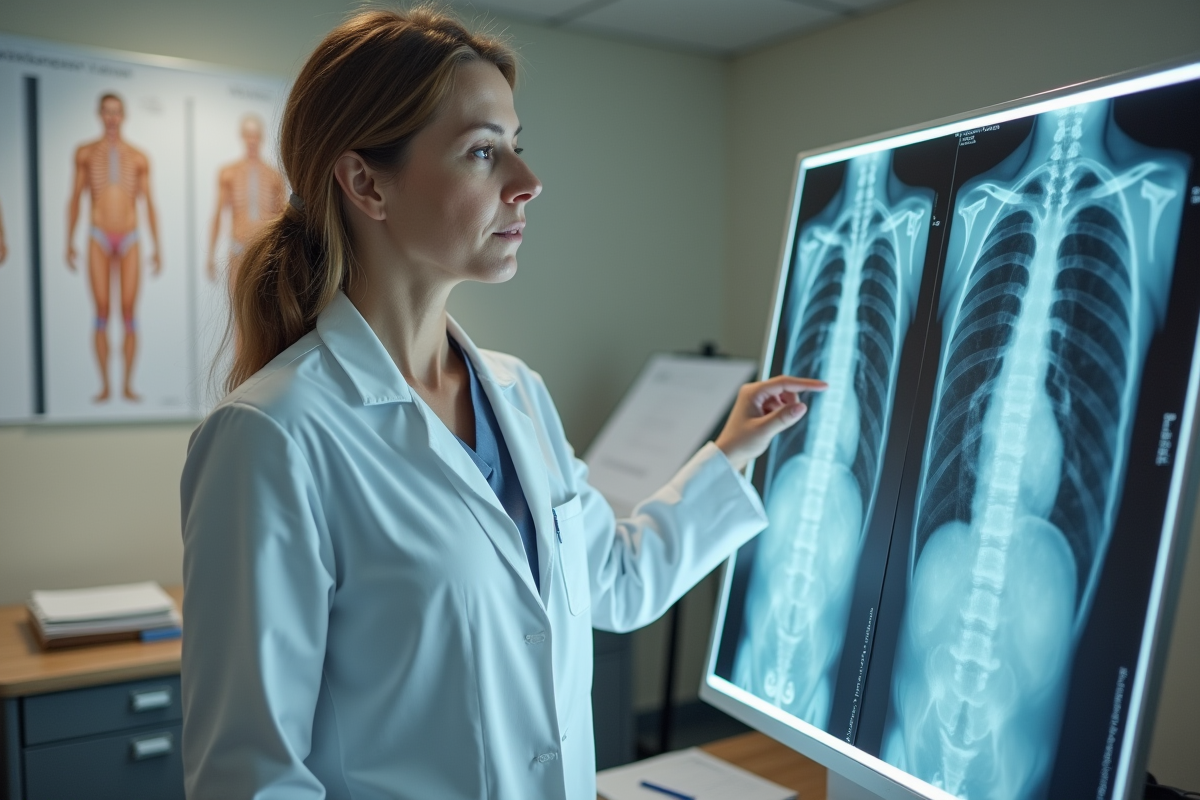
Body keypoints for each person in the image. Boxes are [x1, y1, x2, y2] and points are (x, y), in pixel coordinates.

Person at [179, 8, 825, 800]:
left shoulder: (517, 393)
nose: (527, 182)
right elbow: (252, 780)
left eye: (516, 146)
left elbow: (614, 580)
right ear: (366, 183)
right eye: (483, 152)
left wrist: (733, 450)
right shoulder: (271, 437)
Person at [66, 92, 161, 402]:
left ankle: (128, 385)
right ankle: (106, 385)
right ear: (99, 114)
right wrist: (68, 240)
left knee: (130, 312)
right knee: (103, 312)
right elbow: (75, 197)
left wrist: (158, 246)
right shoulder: (84, 153)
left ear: (123, 116)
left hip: (131, 236)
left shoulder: (138, 156)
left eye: (116, 112)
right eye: (106, 112)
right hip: (98, 236)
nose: (111, 118)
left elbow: (150, 204)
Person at [205, 114, 286, 281]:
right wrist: (210, 255)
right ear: (242, 137)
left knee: (266, 304)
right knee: (237, 304)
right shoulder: (228, 173)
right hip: (238, 251)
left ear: (261, 138)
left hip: (266, 253)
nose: (252, 140)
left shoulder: (274, 176)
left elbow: (283, 218)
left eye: (255, 135)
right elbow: (218, 215)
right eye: (248, 135)